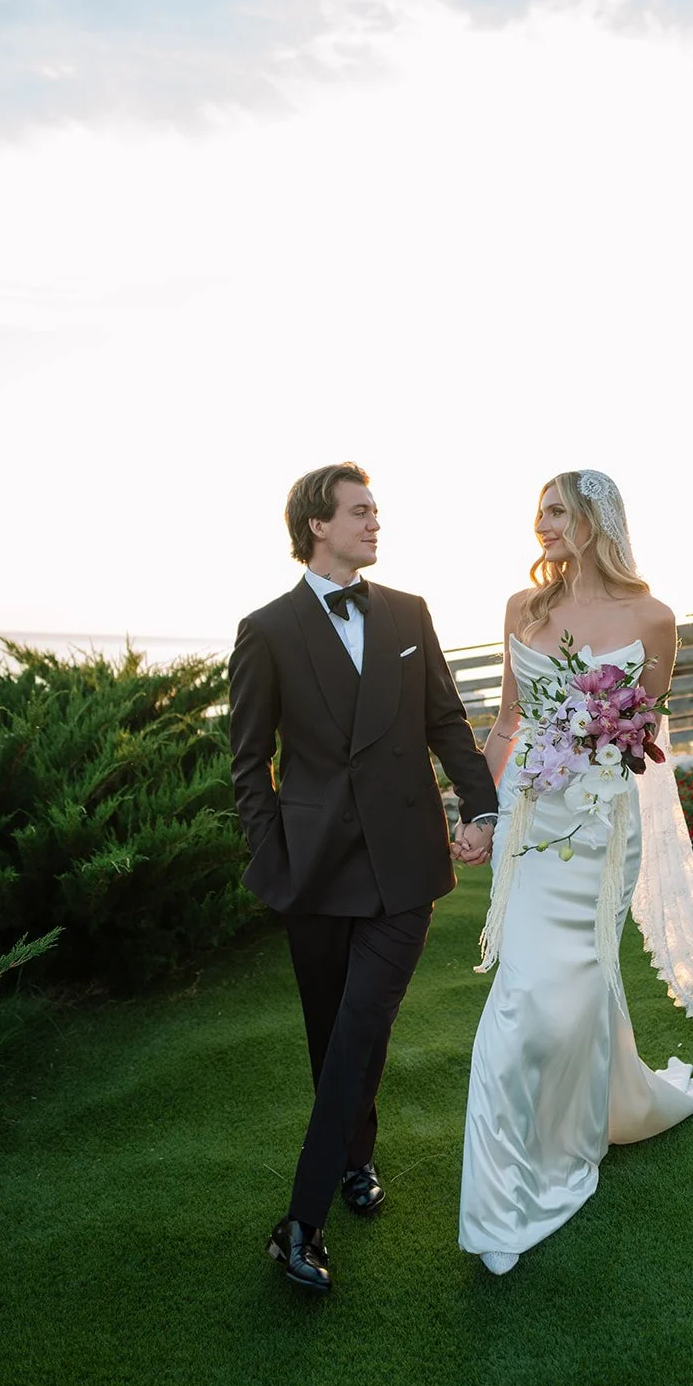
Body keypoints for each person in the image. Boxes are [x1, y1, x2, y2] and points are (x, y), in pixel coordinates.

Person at [459, 469, 693, 1276]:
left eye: (556, 510)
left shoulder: (653, 618)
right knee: (525, 999)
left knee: (578, 991)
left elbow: (642, 736)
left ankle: (601, 1110)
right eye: (537, 512)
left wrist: (598, 732)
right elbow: (504, 722)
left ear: (596, 519)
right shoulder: (521, 612)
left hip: (601, 830)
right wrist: (478, 811)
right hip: (532, 827)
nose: (542, 525)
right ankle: (501, 1204)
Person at [228, 462, 497, 1294]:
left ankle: (300, 1221)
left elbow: (446, 721)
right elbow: (248, 764)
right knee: (334, 1033)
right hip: (313, 869)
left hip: (403, 865)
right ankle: (355, 1160)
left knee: (362, 1019)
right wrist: (272, 861)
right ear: (317, 525)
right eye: (360, 512)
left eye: (376, 511)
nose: (375, 523)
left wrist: (478, 808)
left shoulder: (409, 614)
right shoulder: (266, 629)